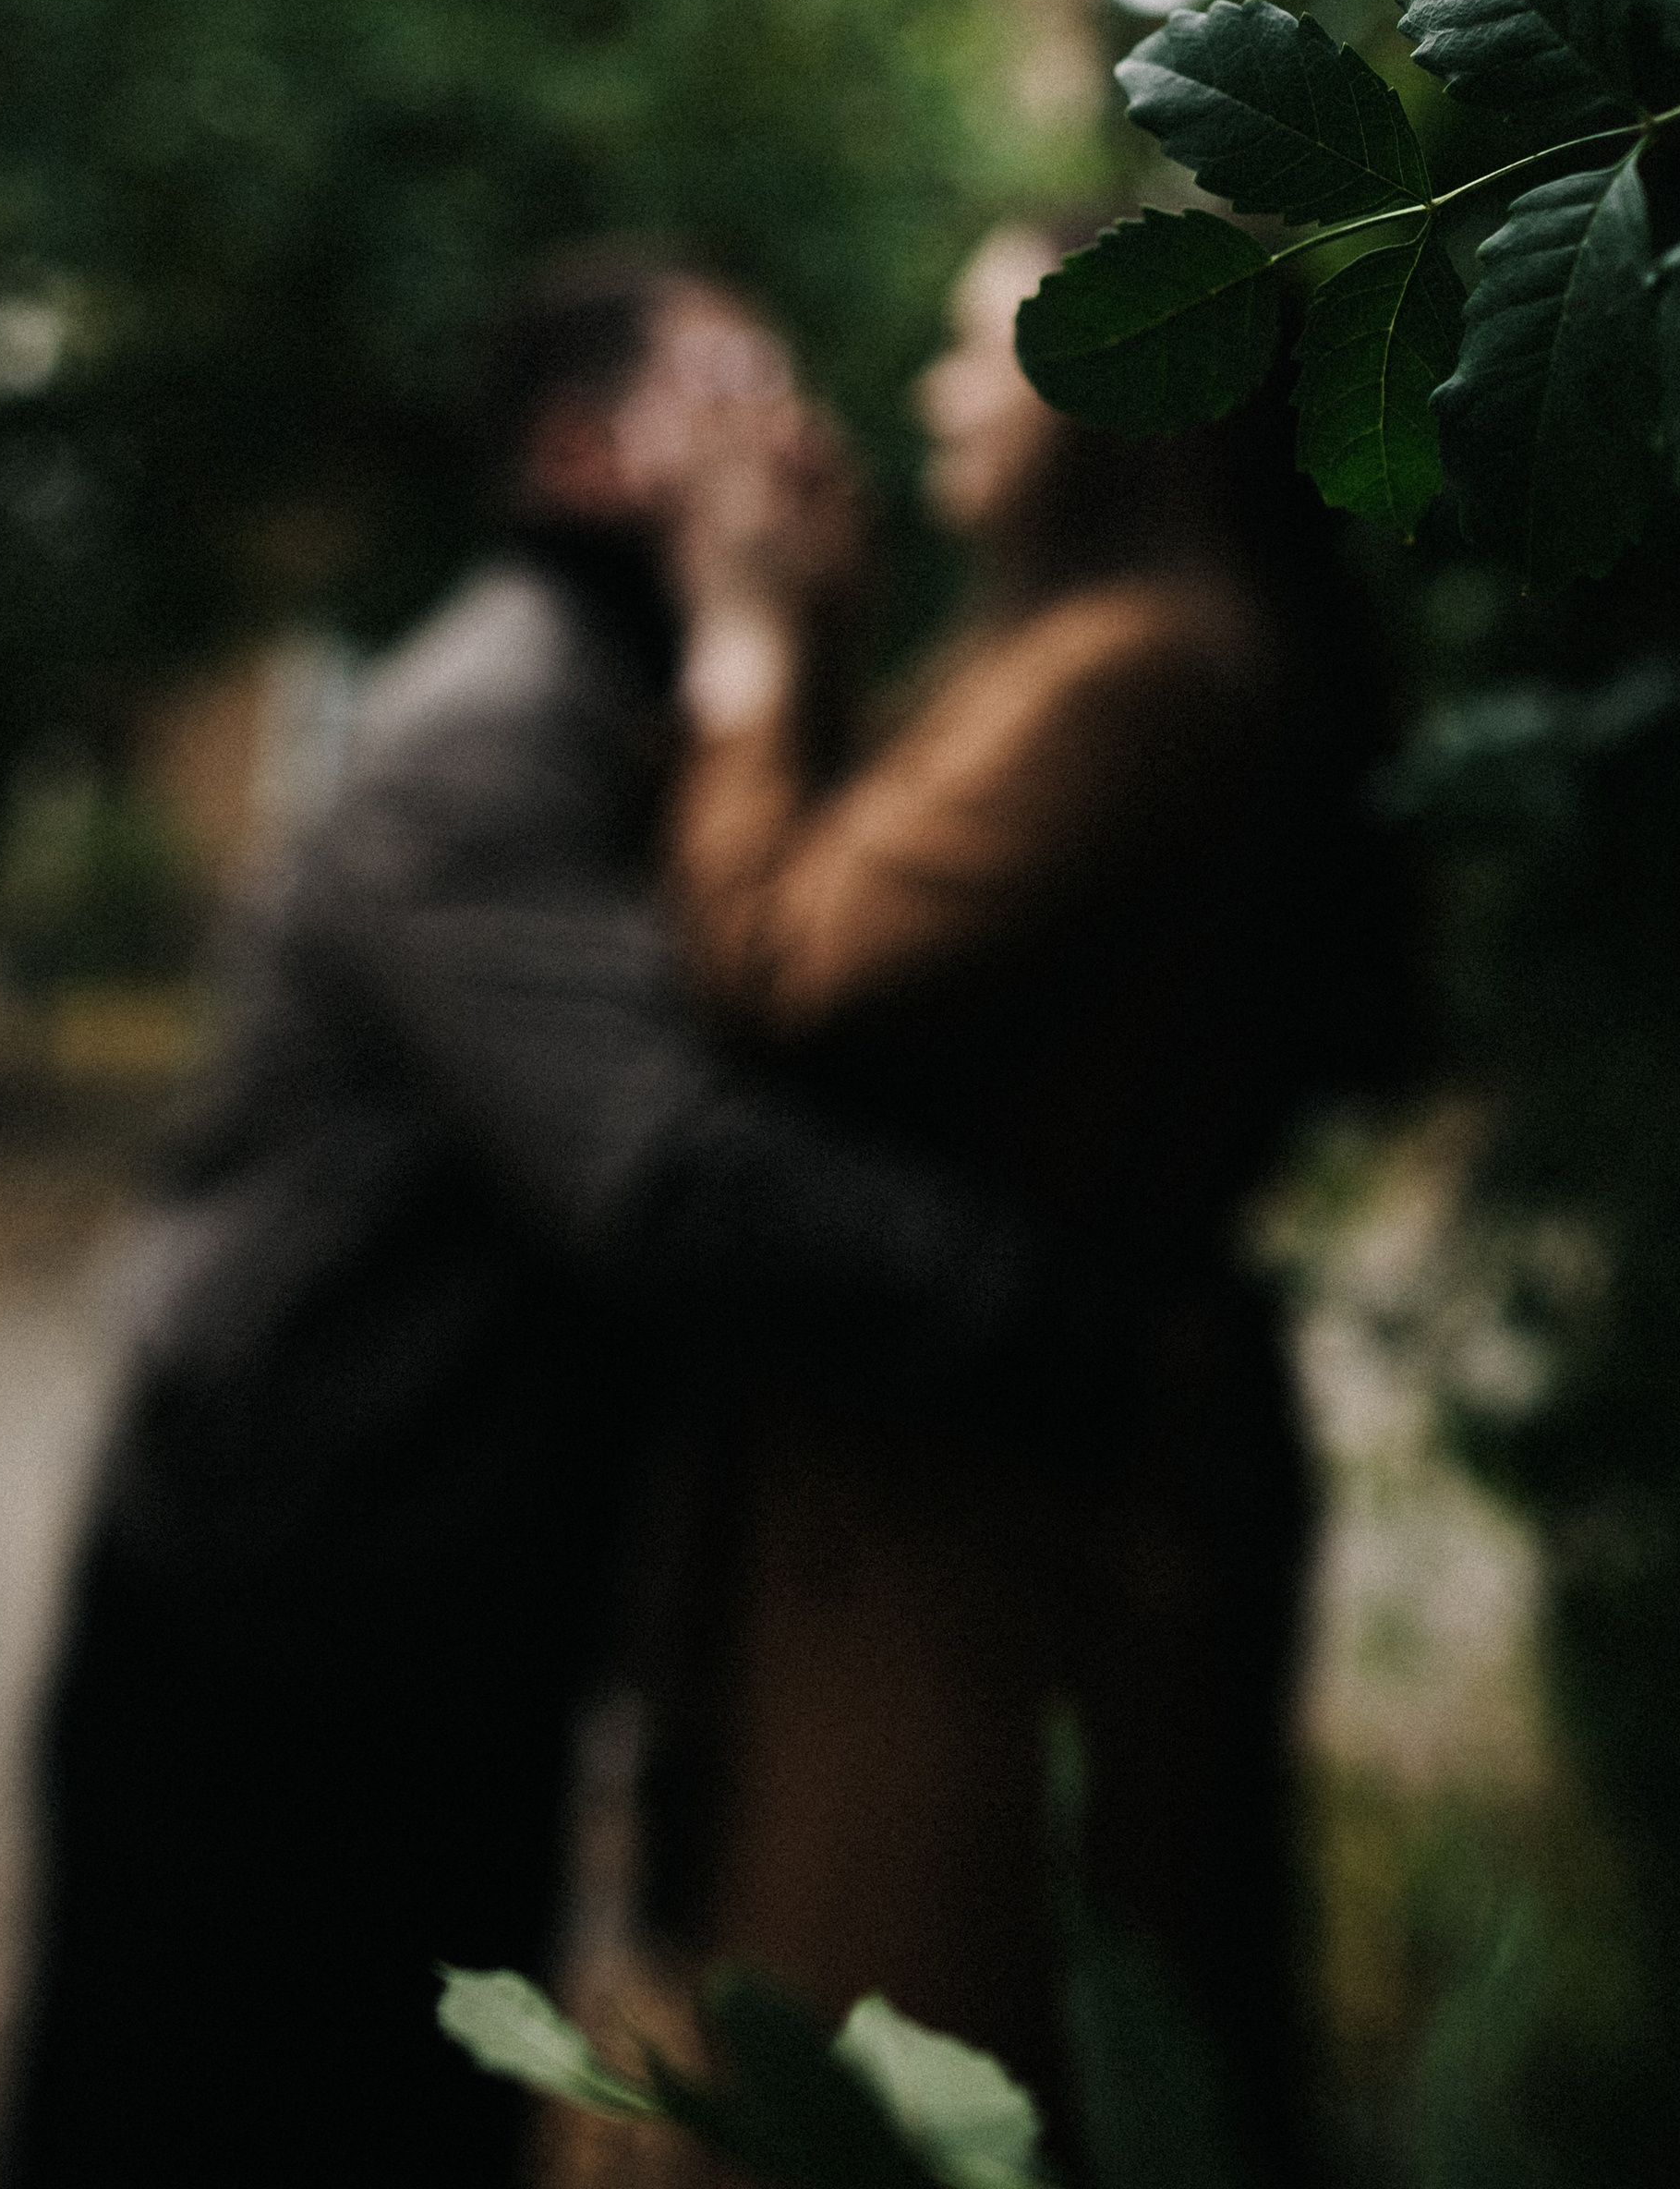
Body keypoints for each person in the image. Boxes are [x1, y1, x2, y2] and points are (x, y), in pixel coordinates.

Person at [0, 248, 1090, 2189]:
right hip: (284, 1604)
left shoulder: (656, 700)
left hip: (445, 1601)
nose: (805, 432)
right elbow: (667, 1174)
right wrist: (1064, 1315)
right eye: (739, 388)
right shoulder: (488, 730)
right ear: (586, 456)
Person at [642, 221, 1402, 2177]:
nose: (937, 392)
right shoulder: (1085, 654)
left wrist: (739, 655)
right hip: (981, 1472)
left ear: (1124, 394)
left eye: (983, 348)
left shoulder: (1138, 675)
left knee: (944, 2043)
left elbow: (787, 963)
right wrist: (824, 626)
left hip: (1001, 1517)